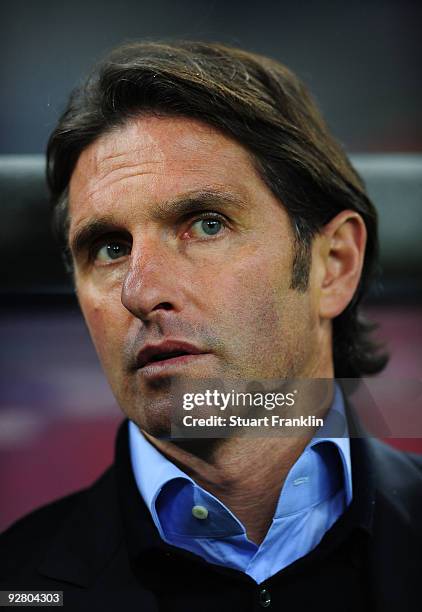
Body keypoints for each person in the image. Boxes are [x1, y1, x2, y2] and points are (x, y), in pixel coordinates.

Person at [1, 41, 421, 611]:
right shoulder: (18, 581)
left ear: (333, 266)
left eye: (206, 224)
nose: (141, 290)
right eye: (108, 247)